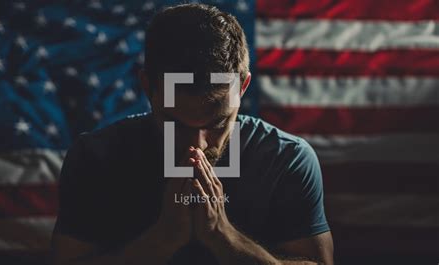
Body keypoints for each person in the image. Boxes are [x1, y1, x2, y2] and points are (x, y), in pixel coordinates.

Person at [51, 3, 334, 265]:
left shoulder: (286, 159)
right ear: (148, 87)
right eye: (175, 123)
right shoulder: (95, 157)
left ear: (243, 87)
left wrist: (224, 237)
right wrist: (161, 241)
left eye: (217, 124)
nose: (196, 145)